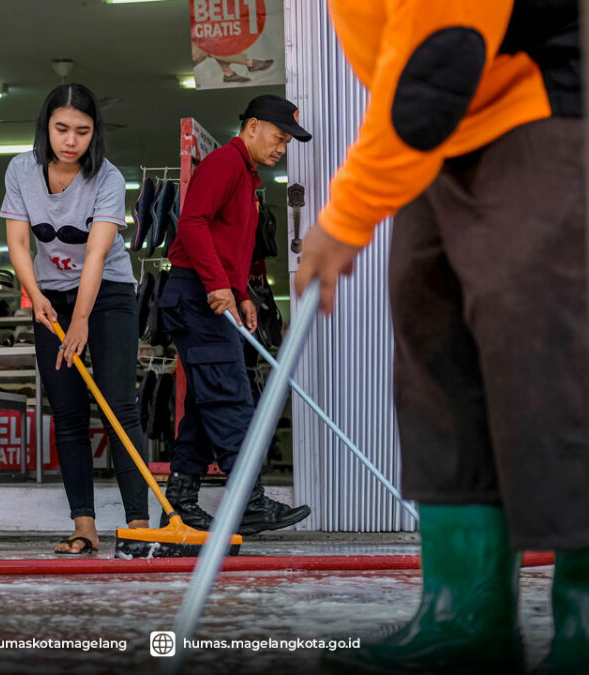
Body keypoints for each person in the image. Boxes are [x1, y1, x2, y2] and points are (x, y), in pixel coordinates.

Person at [294, 3, 587, 672]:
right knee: (437, 366)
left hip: (541, 106)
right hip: (446, 129)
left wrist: (345, 216)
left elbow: (440, 53)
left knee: (551, 360)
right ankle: (463, 614)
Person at [2, 83, 149, 555]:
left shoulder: (106, 178)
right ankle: (84, 527)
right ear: (46, 127)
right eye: (61, 129)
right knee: (67, 412)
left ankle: (140, 526)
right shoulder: (21, 170)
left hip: (108, 294)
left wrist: (81, 317)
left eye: (82, 131)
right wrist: (36, 296)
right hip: (51, 296)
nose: (70, 140)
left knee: (118, 408)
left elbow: (96, 256)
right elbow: (19, 244)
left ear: (94, 134)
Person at [157, 95, 312, 535]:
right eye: (279, 137)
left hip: (210, 295)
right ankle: (249, 502)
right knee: (230, 399)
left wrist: (241, 292)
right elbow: (192, 222)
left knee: (208, 406)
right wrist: (216, 285)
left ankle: (181, 504)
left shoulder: (247, 176)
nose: (282, 148)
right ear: (253, 127)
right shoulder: (225, 164)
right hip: (196, 296)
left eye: (287, 141)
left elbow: (233, 246)